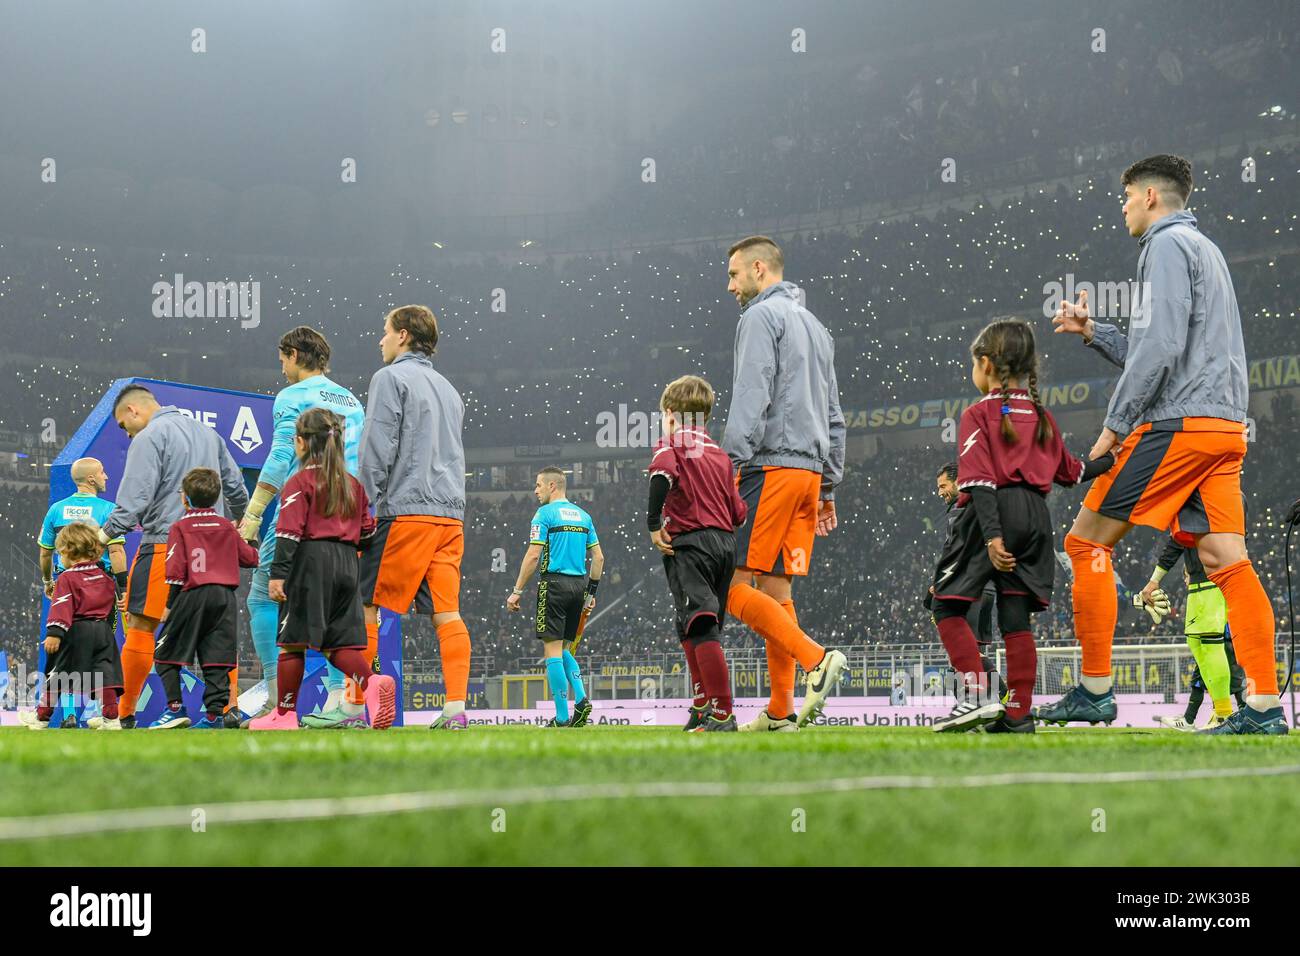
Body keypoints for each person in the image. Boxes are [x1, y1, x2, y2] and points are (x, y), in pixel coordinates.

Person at [1045, 154, 1286, 735]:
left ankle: (1097, 691)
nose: (1123, 207)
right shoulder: (1208, 251)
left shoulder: (1164, 246)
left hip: (1178, 426)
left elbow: (1160, 349)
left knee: (1084, 543)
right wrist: (1096, 332)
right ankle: (1264, 706)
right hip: (1224, 429)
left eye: (1125, 196)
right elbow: (1172, 348)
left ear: (1150, 195)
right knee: (1228, 560)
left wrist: (1113, 428)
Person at [930, 319, 1115, 733]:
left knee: (945, 604)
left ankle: (977, 696)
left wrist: (993, 535)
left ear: (985, 364)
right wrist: (1112, 460)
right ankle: (1018, 716)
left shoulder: (977, 414)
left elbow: (977, 480)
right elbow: (1074, 471)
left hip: (991, 511)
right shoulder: (1042, 416)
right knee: (1015, 618)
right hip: (1036, 516)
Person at [721, 235, 847, 731]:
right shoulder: (818, 328)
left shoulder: (759, 318)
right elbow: (835, 414)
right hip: (810, 475)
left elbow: (751, 394)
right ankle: (780, 710)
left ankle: (816, 660)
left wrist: (729, 466)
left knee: (728, 584)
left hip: (770, 466)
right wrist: (830, 486)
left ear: (758, 269)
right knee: (775, 588)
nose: (729, 285)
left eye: (733, 274)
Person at [237, 326, 367, 727]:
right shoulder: (350, 400)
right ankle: (340, 703)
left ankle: (277, 702)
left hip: (303, 508)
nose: (282, 369)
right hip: (345, 514)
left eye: (282, 360)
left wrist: (253, 513)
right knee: (333, 617)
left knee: (261, 597)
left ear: (294, 354)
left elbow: (279, 456)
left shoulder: (292, 396)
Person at [98, 385, 249, 728]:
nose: (127, 432)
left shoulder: (150, 436)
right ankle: (228, 709)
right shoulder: (210, 435)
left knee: (140, 625)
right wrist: (237, 521)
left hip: (166, 544)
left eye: (124, 424)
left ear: (134, 410)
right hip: (214, 551)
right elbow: (236, 487)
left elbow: (134, 498)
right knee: (217, 632)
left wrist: (104, 534)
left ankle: (125, 714)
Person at [357, 306, 471, 730]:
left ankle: (355, 705)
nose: (380, 340)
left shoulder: (389, 378)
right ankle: (456, 710)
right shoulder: (449, 388)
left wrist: (360, 507)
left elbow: (377, 448)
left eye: (384, 332)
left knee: (364, 604)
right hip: (450, 515)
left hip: (405, 511)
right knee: (448, 613)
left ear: (402, 335)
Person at [250, 408, 395, 730]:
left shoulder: (299, 482)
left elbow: (287, 532)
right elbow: (369, 533)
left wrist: (278, 574)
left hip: (310, 562)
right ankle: (371, 683)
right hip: (347, 565)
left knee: (291, 642)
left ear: (301, 443)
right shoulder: (353, 485)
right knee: (336, 643)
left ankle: (284, 716)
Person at [646, 376, 748, 732]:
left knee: (700, 625)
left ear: (671, 414)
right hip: (724, 546)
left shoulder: (671, 444)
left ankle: (722, 712)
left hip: (691, 543)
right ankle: (702, 703)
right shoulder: (720, 455)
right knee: (693, 625)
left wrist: (652, 522)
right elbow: (739, 512)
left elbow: (662, 475)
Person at [149, 469, 260, 729]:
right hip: (224, 598)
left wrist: (169, 605)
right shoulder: (225, 526)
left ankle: (175, 709)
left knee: (164, 654)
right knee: (216, 658)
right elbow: (250, 559)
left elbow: (175, 571)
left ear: (185, 498)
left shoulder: (181, 527)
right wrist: (251, 540)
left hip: (193, 595)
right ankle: (213, 717)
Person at [506, 467, 602, 727]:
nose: (535, 490)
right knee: (564, 649)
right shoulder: (584, 516)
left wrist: (516, 591)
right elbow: (599, 558)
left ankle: (561, 717)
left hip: (554, 584)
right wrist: (590, 594)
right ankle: (581, 699)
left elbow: (534, 555)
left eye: (538, 485)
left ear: (552, 486)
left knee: (551, 651)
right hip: (579, 586)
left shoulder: (544, 514)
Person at [34, 457, 126, 726]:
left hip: (67, 582)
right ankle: (104, 713)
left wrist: (47, 580)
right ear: (91, 479)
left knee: (64, 652)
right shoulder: (108, 509)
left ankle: (69, 714)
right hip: (101, 585)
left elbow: (44, 552)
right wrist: (122, 591)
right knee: (102, 651)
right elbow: (117, 551)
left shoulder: (56, 509)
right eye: (102, 472)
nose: (107, 476)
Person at [1148, 505, 1248, 731]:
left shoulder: (1202, 498)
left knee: (1214, 649)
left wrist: (1154, 580)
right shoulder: (1211, 498)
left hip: (1211, 582)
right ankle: (1221, 714)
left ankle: (1224, 715)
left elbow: (1177, 542)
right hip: (1199, 584)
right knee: (1200, 649)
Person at [31, 523, 123, 730]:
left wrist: (55, 633)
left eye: (60, 553)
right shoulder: (106, 578)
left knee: (59, 673)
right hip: (103, 632)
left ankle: (42, 717)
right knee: (105, 674)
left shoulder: (66, 577)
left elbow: (62, 605)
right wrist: (107, 631)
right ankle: (111, 717)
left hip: (76, 631)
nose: (59, 558)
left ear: (68, 551)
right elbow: (111, 608)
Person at [929, 462, 1004, 701]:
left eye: (943, 486)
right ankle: (998, 702)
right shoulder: (981, 504)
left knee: (962, 654)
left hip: (969, 589)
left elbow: (958, 551)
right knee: (975, 653)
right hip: (987, 588)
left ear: (959, 480)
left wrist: (941, 581)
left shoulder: (959, 511)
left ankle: (976, 704)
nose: (940, 492)